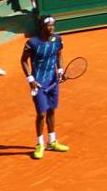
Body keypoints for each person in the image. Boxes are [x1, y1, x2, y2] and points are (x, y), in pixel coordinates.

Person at [20, 15, 70, 160]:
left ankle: (52, 141)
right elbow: (23, 61)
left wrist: (60, 71)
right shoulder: (32, 43)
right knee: (41, 113)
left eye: (53, 25)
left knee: (52, 111)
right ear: (42, 27)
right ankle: (39, 144)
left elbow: (59, 54)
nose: (52, 28)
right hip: (39, 84)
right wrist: (30, 79)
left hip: (53, 81)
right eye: (49, 25)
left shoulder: (57, 39)